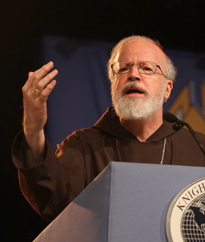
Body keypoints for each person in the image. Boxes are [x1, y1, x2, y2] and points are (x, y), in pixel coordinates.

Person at [12, 35, 205, 221]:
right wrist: (33, 128)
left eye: (146, 68)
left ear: (167, 89)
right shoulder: (84, 146)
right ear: (113, 84)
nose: (134, 75)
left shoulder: (198, 147)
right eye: (123, 69)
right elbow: (53, 199)